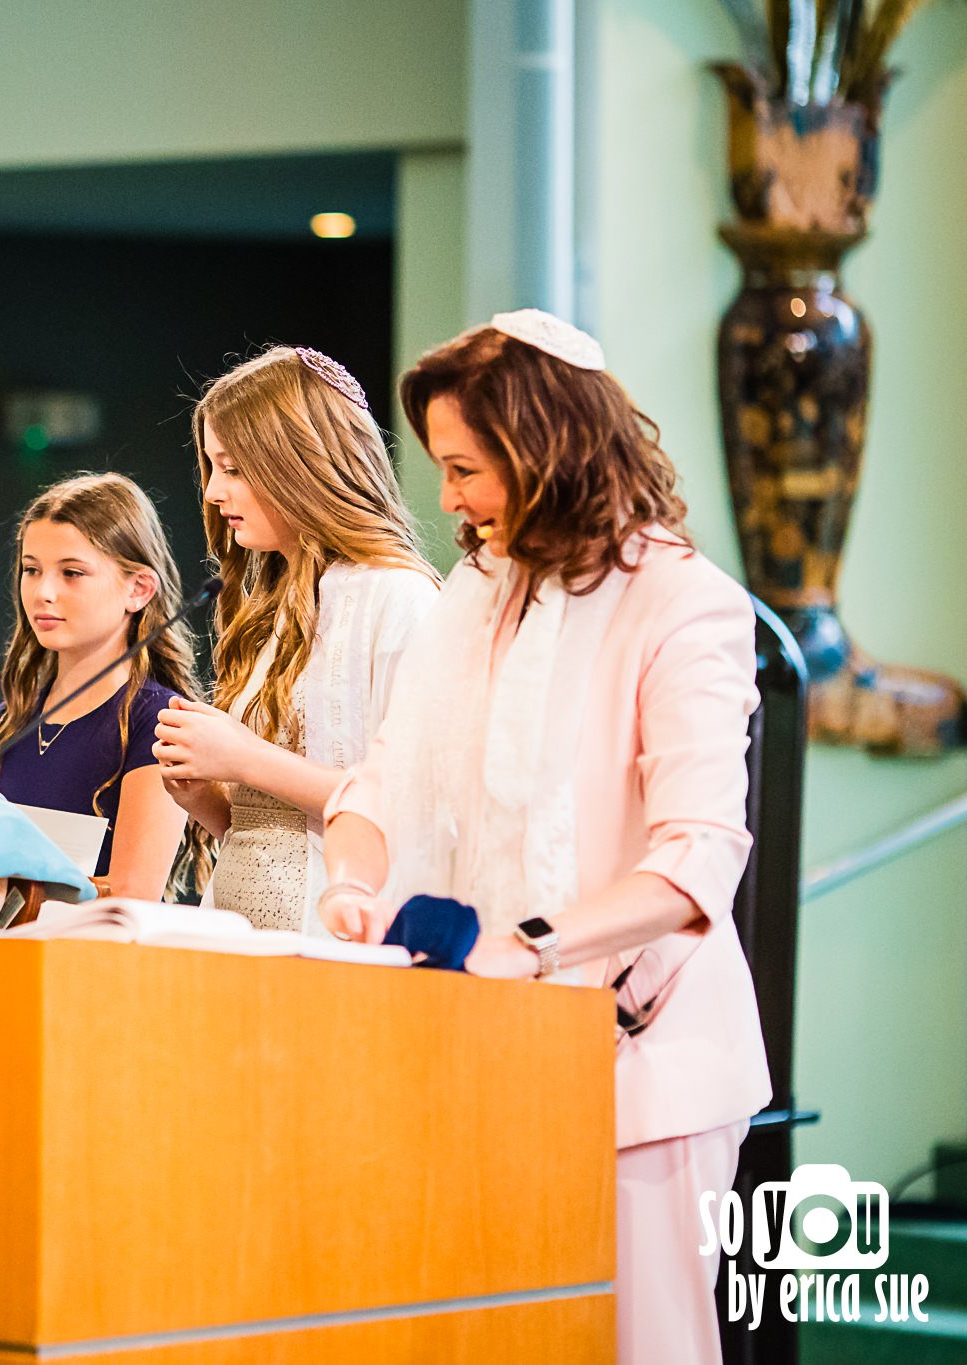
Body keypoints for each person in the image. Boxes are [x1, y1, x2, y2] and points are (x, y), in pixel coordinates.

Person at [316, 310, 770, 1365]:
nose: (449, 501)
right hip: (484, 1051)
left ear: (543, 449)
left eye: (466, 468)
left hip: (638, 1062)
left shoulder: (683, 604)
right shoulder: (477, 597)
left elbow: (696, 851)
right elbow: (382, 777)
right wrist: (351, 879)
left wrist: (524, 942)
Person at [151, 346, 438, 931]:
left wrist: (244, 757)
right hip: (237, 930)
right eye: (212, 467)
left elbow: (414, 804)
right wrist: (205, 797)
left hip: (335, 933)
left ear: (300, 464)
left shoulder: (398, 598)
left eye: (233, 469)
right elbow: (267, 829)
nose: (212, 493)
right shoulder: (272, 607)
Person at [0, 473, 200, 900]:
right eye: (31, 570)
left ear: (138, 589)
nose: (44, 592)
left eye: (72, 573)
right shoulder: (1, 726)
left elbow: (131, 895)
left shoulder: (159, 724)